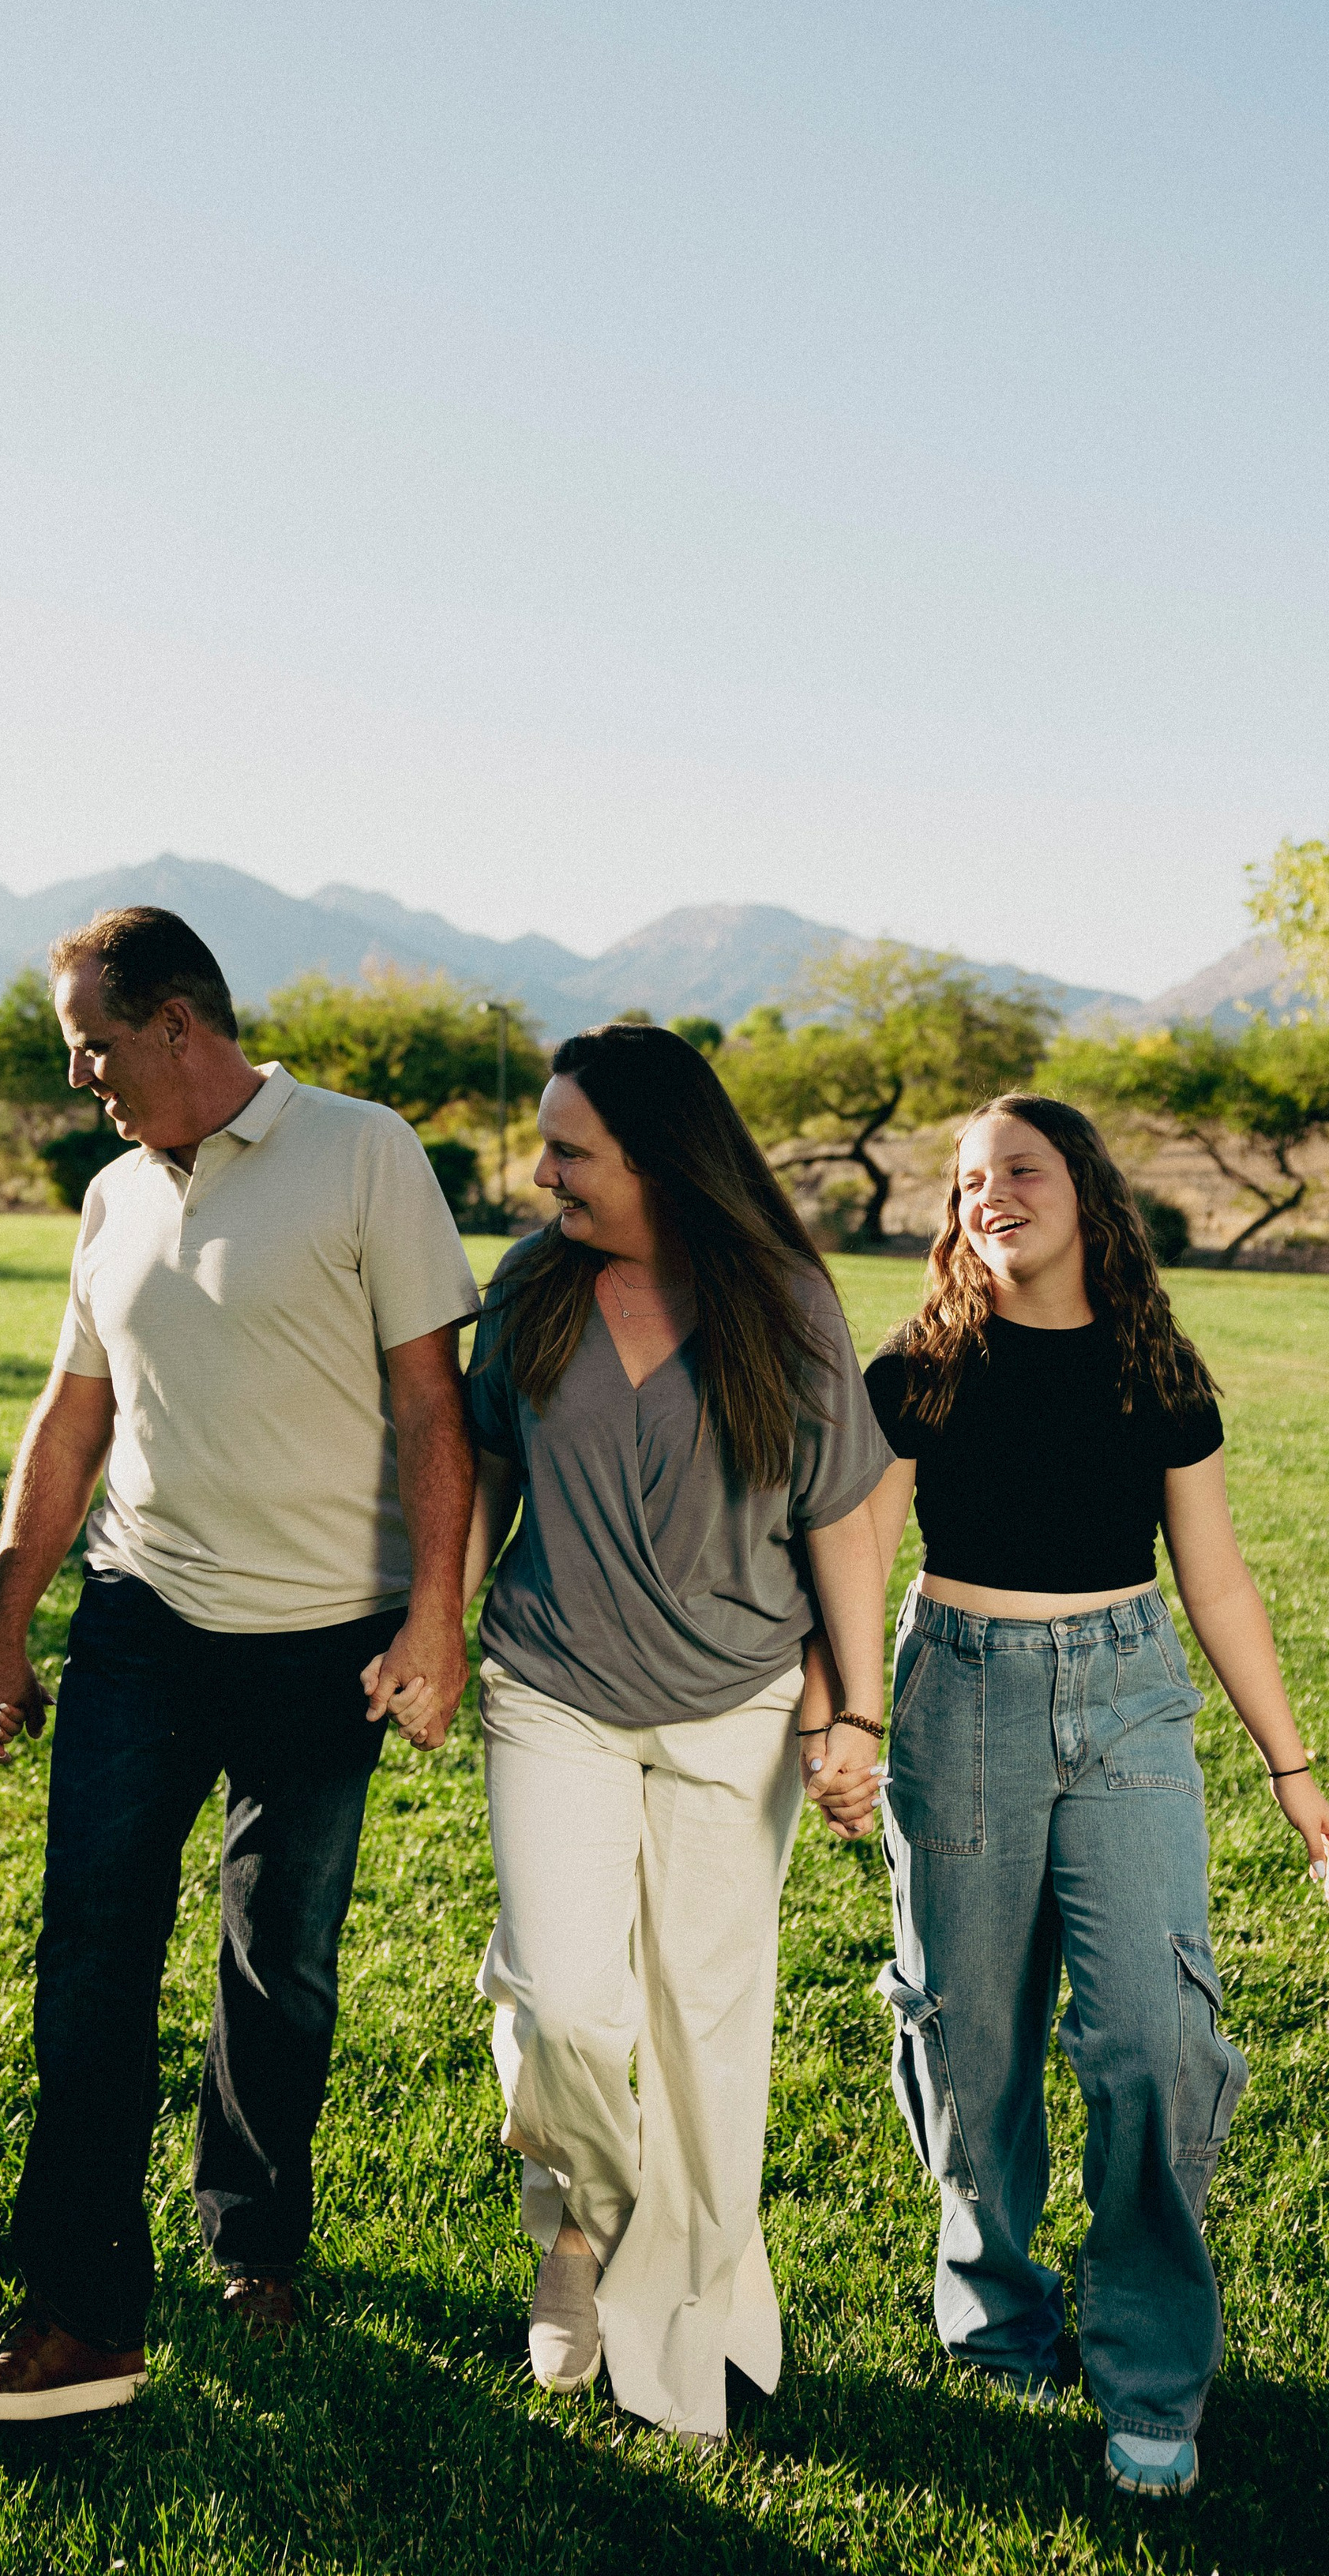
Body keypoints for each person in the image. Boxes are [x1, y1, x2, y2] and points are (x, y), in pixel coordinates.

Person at [0, 905, 482, 2428]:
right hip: (144, 1619)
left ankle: (255, 2238)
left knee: (278, 1960)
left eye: (94, 1045)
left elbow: (438, 1409)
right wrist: (9, 1619)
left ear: (179, 1023)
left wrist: (436, 1615)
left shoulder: (366, 1151)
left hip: (325, 1642)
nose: (82, 1076)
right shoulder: (111, 1195)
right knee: (91, 1954)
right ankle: (80, 2308)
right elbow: (71, 1418)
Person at [385, 1025, 891, 2444]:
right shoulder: (538, 1283)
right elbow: (482, 1466)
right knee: (563, 2004)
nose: (541, 1173)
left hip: (735, 1709)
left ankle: (661, 2284)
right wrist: (438, 1624)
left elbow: (842, 1520)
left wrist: (853, 1710)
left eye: (569, 1151)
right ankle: (593, 2230)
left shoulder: (784, 1303)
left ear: (662, 1160)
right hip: (553, 1690)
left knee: (704, 2041)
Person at [854, 1092, 1329, 2503]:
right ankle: (998, 2304)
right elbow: (856, 1551)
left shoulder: (1156, 1365)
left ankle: (1147, 2363)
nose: (992, 1194)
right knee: (975, 2040)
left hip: (1128, 1691)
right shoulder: (920, 1368)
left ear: (1086, 1189)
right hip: (957, 1692)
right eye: (968, 1181)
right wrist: (834, 1713)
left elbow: (1220, 1580)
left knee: (1152, 2028)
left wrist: (1291, 1766)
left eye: (1021, 1168)